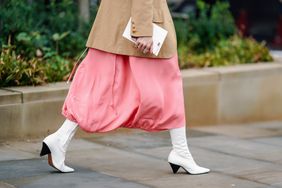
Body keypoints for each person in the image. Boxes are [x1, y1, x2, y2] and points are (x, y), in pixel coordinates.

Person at [40, 0, 210, 175]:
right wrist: (143, 30)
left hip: (115, 23)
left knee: (100, 86)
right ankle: (181, 151)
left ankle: (60, 139)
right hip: (140, 25)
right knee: (168, 85)